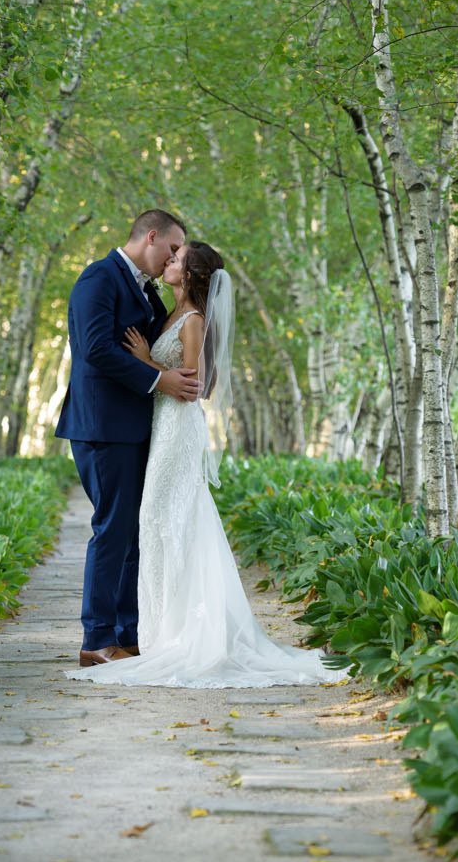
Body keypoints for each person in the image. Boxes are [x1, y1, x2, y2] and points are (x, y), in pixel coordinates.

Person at [111, 229, 341, 684]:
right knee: (159, 521)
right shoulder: (171, 311)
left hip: (178, 428)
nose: (170, 260)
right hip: (162, 427)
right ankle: (160, 630)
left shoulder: (193, 319)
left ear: (190, 274)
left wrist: (145, 361)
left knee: (161, 517)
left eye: (178, 258)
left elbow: (195, 386)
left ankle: (173, 635)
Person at [55, 207, 185, 662]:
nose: (173, 259)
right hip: (103, 426)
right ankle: (96, 639)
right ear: (150, 237)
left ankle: (127, 634)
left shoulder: (146, 291)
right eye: (171, 248)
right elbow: (95, 349)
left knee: (132, 532)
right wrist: (158, 381)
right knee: (111, 530)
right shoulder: (99, 278)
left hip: (133, 426)